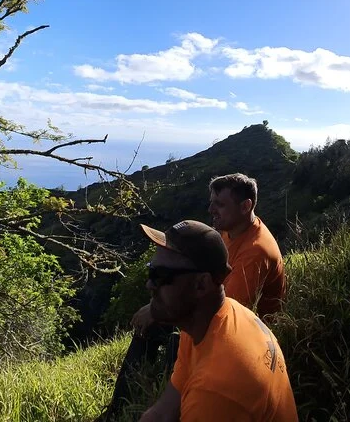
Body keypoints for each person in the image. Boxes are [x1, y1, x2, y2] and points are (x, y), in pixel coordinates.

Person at [99, 174, 290, 420]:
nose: (211, 209)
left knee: (169, 338)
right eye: (151, 270)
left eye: (161, 275)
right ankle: (115, 411)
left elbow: (229, 298)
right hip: (227, 321)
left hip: (234, 340)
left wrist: (156, 310)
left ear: (246, 206)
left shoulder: (256, 251)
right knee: (157, 328)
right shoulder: (226, 235)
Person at [137, 220, 296, 421]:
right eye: (150, 269)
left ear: (201, 285)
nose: (149, 284)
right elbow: (163, 412)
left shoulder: (215, 390)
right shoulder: (213, 318)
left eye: (160, 275)